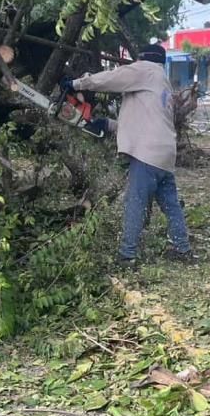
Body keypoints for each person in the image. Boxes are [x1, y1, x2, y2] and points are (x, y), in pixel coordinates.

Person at [62, 44, 193, 266]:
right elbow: (143, 121)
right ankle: (183, 249)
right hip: (164, 155)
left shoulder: (145, 70)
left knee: (135, 203)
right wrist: (107, 124)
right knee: (171, 206)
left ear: (143, 59)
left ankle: (127, 255)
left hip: (147, 155)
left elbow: (112, 79)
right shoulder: (161, 82)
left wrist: (76, 84)